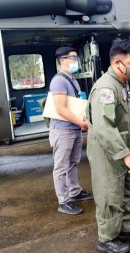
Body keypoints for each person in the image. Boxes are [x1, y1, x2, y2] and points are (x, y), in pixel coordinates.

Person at [87, 38, 130, 253]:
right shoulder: (105, 87)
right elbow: (104, 127)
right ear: (117, 64)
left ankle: (125, 228)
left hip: (121, 143)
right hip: (108, 149)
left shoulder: (121, 83)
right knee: (110, 193)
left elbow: (121, 119)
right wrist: (125, 155)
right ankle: (106, 239)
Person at [49, 46, 93, 215]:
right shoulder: (59, 80)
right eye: (73, 58)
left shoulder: (72, 79)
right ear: (63, 60)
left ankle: (74, 192)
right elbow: (60, 109)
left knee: (73, 162)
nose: (76, 61)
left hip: (73, 128)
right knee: (61, 166)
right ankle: (64, 201)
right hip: (62, 130)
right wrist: (82, 124)